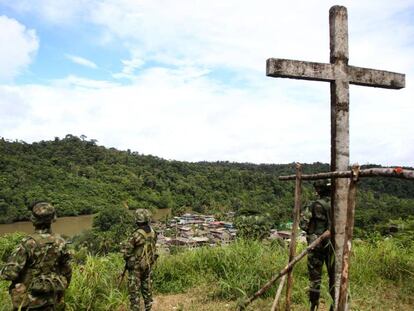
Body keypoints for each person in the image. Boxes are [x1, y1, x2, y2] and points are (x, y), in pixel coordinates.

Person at [0, 202, 72, 311]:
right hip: (53, 300)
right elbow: (67, 272)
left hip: (29, 303)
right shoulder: (61, 242)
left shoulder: (28, 243)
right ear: (52, 220)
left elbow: (9, 274)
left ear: (33, 220)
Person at [300, 181, 335, 311]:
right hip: (333, 245)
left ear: (318, 190)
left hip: (317, 245)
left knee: (315, 278)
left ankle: (313, 306)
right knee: (334, 277)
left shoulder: (313, 205)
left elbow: (303, 224)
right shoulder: (338, 205)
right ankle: (334, 305)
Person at [122, 209, 158, 311]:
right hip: (148, 264)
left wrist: (129, 259)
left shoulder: (136, 235)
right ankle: (148, 308)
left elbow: (126, 252)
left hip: (136, 267)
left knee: (134, 292)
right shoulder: (153, 232)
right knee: (147, 289)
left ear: (137, 221)